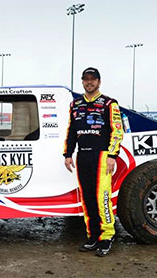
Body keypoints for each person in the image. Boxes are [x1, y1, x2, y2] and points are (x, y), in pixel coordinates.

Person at [63, 67, 124, 257]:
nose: (89, 82)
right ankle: (94, 236)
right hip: (83, 156)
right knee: (87, 198)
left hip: (102, 156)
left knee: (102, 198)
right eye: (86, 79)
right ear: (82, 81)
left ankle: (107, 237)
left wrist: (113, 155)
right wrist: (67, 154)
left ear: (99, 81)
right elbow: (71, 131)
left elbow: (117, 131)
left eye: (93, 79)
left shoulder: (109, 103)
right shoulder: (75, 104)